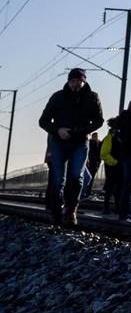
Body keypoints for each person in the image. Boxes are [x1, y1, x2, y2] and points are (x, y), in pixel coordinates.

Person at [38, 67, 104, 226]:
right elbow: (43, 121)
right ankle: (55, 211)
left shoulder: (92, 97)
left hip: (80, 142)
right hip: (58, 142)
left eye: (79, 81)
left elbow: (99, 121)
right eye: (72, 81)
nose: (75, 84)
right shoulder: (58, 97)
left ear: (84, 81)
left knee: (76, 176)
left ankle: (71, 209)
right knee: (58, 177)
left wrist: (81, 131)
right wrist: (58, 130)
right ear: (68, 81)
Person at [99, 126, 119, 215]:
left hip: (115, 166)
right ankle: (106, 207)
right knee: (111, 187)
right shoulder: (109, 138)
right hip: (112, 166)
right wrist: (114, 162)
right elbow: (103, 154)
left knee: (116, 188)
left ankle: (115, 207)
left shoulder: (114, 138)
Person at [83, 132, 102, 199]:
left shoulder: (98, 143)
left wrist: (99, 162)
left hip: (95, 163)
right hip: (90, 163)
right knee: (89, 177)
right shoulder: (91, 142)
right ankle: (86, 192)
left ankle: (87, 191)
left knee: (91, 177)